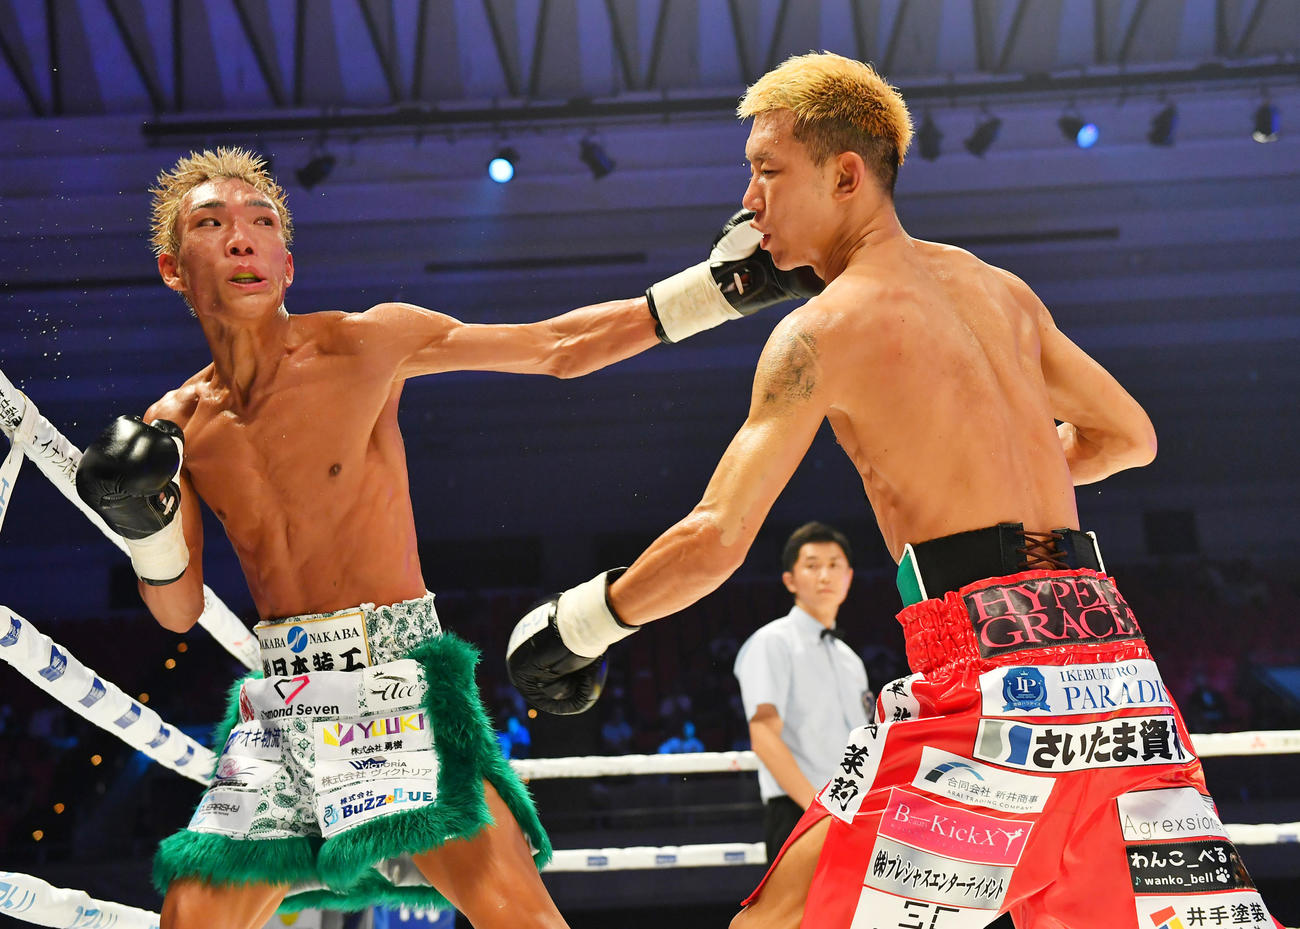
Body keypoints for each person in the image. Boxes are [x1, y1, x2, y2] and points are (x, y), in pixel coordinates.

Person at [506, 53, 1280, 929]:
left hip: (987, 676)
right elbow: (1127, 437)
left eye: (768, 172)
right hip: (1116, 673)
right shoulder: (1003, 291)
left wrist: (585, 624)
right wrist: (1000, 472)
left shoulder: (821, 330)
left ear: (846, 176)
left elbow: (718, 536)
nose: (749, 201)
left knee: (781, 921)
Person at [73, 147, 819, 929]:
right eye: (211, 224)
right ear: (172, 267)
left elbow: (556, 348)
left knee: (520, 921)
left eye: (260, 224)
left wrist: (717, 292)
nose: (240, 240)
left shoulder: (362, 346)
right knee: (189, 917)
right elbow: (179, 610)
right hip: (280, 702)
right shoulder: (174, 425)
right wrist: (145, 531)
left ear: (287, 265)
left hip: (389, 683)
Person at [733, 522, 870, 862]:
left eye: (834, 565)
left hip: (853, 814)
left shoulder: (850, 660)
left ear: (849, 577)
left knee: (849, 917)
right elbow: (763, 733)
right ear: (790, 580)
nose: (825, 575)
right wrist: (819, 808)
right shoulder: (772, 642)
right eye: (812, 566)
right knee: (791, 917)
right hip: (800, 810)